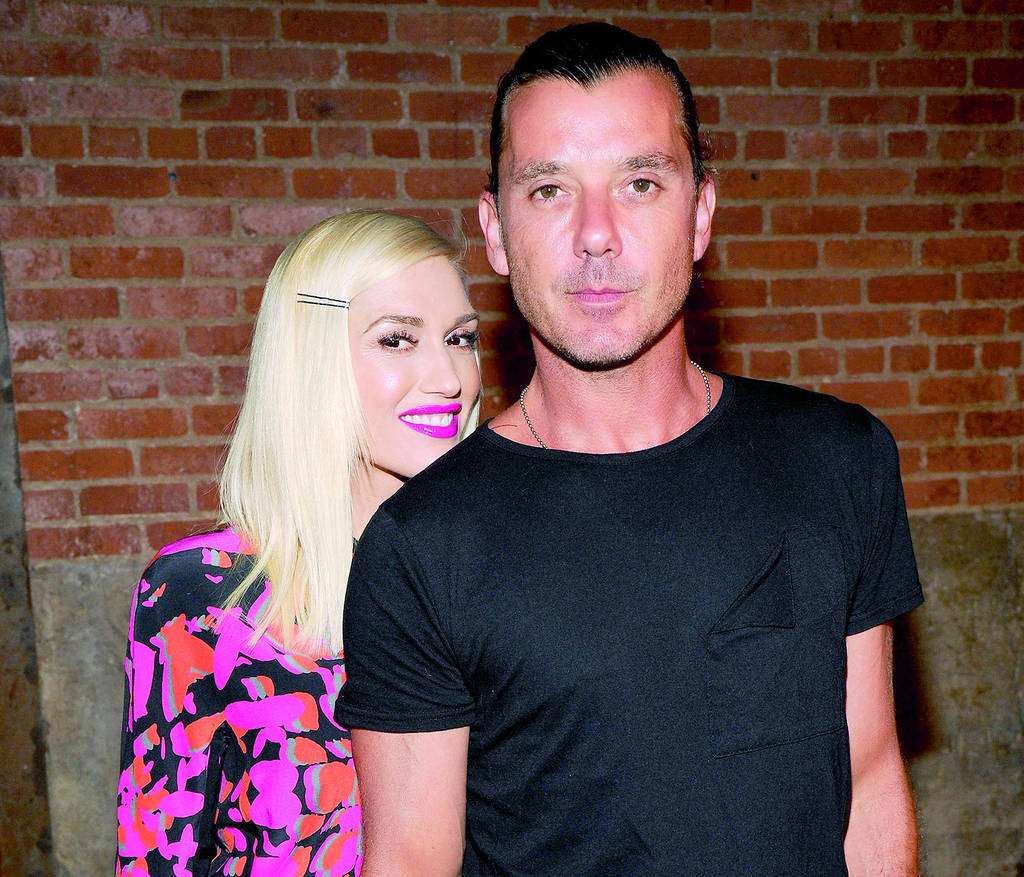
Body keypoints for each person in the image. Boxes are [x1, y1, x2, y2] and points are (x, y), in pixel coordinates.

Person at [336, 22, 924, 877]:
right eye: (549, 190)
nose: (596, 233)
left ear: (701, 214)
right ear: (495, 231)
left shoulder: (839, 459)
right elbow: (410, 863)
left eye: (640, 182)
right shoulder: (420, 546)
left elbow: (867, 782)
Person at [115, 210, 481, 876]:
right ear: (312, 359)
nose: (449, 376)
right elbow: (158, 854)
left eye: (460, 338)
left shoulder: (497, 572)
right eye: (397, 339)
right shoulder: (206, 592)